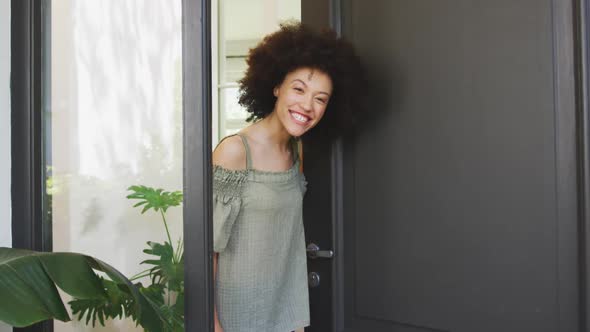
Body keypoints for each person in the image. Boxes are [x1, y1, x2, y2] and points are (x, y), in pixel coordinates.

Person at [212, 22, 364, 332]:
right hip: (236, 315)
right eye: (299, 89)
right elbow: (207, 252)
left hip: (285, 314)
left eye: (320, 99)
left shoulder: (298, 153)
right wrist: (213, 326)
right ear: (275, 86)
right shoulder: (234, 151)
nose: (307, 106)